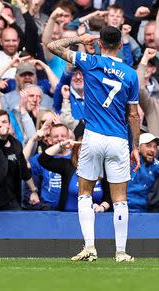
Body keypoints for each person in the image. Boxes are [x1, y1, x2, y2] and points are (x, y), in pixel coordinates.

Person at [46, 26, 141, 263]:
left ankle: (89, 247)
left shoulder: (89, 61)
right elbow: (133, 115)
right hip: (118, 139)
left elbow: (52, 46)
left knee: (84, 193)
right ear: (120, 45)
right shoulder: (130, 74)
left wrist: (80, 38)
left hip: (93, 136)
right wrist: (136, 146)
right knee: (120, 198)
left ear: (100, 43)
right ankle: (120, 252)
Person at [0, 109, 40, 210]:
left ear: (9, 124)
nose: (0, 125)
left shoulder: (16, 144)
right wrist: (1, 138)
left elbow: (24, 170)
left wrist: (33, 191)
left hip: (11, 201)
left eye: (4, 122)